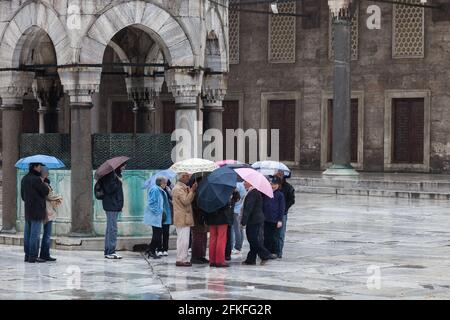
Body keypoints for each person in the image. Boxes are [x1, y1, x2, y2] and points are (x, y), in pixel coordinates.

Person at [21, 163, 50, 263]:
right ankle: (33, 256)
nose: (41, 168)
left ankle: (27, 255)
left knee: (27, 234)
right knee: (35, 235)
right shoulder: (36, 179)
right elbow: (46, 191)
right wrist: (44, 182)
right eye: (39, 166)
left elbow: (22, 196)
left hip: (28, 210)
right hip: (37, 210)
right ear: (35, 167)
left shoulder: (24, 178)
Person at [241, 181, 272, 266]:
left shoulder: (253, 193)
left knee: (253, 239)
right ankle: (251, 259)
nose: (243, 183)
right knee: (252, 239)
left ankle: (265, 254)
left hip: (254, 220)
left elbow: (248, 208)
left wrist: (243, 221)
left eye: (245, 182)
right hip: (255, 219)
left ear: (251, 183)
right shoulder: (252, 192)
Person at [206, 191, 239, 268]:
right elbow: (226, 205)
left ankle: (212, 260)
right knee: (221, 239)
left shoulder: (210, 192)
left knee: (213, 239)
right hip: (222, 218)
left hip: (211, 218)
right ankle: (220, 260)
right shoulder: (223, 192)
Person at [101, 163, 126, 259]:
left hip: (113, 205)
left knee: (110, 229)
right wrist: (118, 181)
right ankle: (111, 251)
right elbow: (109, 189)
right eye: (123, 166)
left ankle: (108, 251)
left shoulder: (114, 175)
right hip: (111, 205)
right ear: (119, 166)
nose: (124, 168)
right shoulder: (110, 175)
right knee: (112, 229)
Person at [172, 172, 197, 267]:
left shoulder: (182, 187)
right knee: (183, 240)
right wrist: (192, 191)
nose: (188, 178)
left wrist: (190, 191)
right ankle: (181, 259)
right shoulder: (178, 189)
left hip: (184, 217)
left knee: (184, 240)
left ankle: (183, 258)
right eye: (187, 176)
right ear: (182, 177)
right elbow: (186, 201)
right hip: (182, 218)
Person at [144, 177, 172, 259]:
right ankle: (151, 251)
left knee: (157, 235)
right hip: (155, 217)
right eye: (165, 182)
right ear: (160, 183)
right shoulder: (155, 190)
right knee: (157, 235)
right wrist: (158, 212)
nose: (166, 184)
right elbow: (151, 203)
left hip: (158, 217)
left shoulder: (159, 189)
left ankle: (151, 250)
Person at [39, 167, 63, 262]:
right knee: (47, 234)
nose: (47, 174)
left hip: (48, 210)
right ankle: (44, 254)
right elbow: (49, 196)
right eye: (46, 173)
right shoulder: (43, 184)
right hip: (47, 211)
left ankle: (45, 254)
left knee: (47, 234)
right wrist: (58, 197)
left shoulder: (45, 183)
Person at [263, 176, 286, 258]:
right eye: (272, 184)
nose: (273, 186)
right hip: (266, 218)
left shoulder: (280, 194)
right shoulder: (266, 193)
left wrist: (280, 220)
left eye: (275, 184)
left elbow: (281, 208)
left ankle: (274, 251)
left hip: (275, 219)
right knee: (266, 236)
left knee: (274, 236)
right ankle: (266, 251)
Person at [275, 170, 295, 258]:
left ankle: (278, 252)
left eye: (280, 175)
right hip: (272, 213)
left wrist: (284, 208)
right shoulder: (272, 185)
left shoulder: (288, 187)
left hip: (282, 213)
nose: (278, 176)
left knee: (280, 234)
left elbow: (291, 200)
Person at [191, 177, 209, 264]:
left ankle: (202, 256)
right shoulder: (195, 193)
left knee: (203, 237)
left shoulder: (203, 193)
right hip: (197, 218)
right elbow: (195, 206)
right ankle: (195, 257)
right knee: (197, 238)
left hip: (202, 218)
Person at [231, 182, 247, 255]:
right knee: (239, 229)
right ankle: (239, 246)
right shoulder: (242, 186)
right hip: (240, 209)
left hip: (235, 210)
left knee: (235, 229)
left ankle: (237, 247)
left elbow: (236, 199)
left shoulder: (237, 185)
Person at [159, 179, 173, 256]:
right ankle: (159, 248)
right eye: (163, 182)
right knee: (159, 232)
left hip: (167, 214)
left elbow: (172, 198)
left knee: (166, 232)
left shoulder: (168, 189)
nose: (164, 184)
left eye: (165, 182)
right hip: (160, 214)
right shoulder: (157, 190)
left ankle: (165, 248)